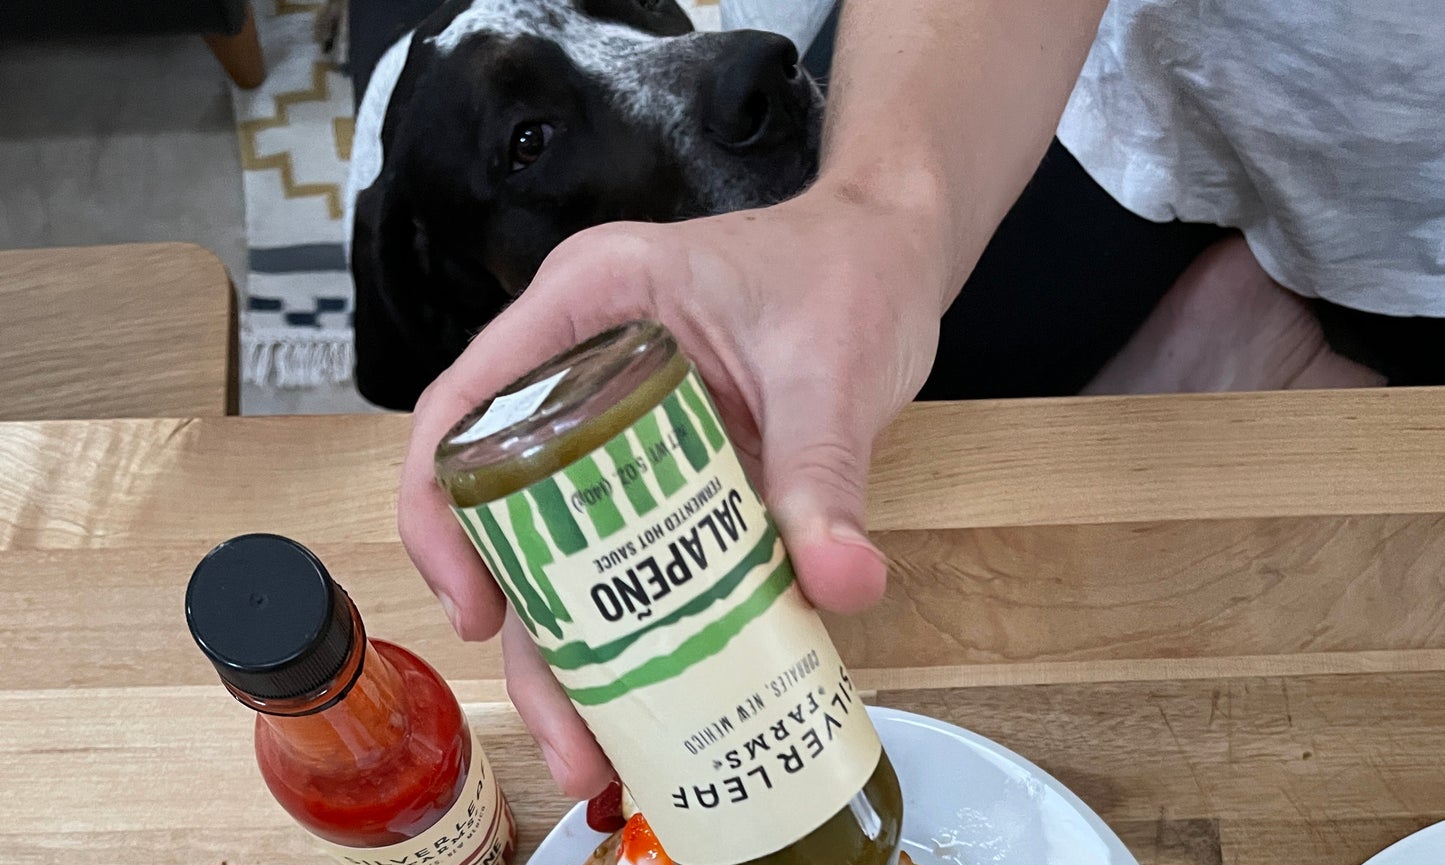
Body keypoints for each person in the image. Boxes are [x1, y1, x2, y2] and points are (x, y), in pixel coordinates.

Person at [398, 0, 1445, 798]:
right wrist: (877, 209)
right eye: (530, 141)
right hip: (1068, 66)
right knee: (899, 443)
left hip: (1408, 166)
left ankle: (1247, 324)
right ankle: (1225, 322)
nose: (747, 52)